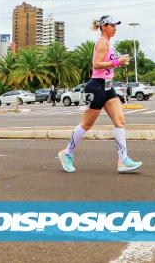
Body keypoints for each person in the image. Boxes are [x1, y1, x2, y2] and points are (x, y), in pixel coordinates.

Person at [57, 15, 142, 173]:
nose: (115, 28)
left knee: (120, 120)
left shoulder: (108, 43)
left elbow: (107, 65)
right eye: (112, 25)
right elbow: (96, 64)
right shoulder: (102, 42)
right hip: (95, 87)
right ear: (103, 27)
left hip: (108, 87)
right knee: (86, 124)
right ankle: (66, 153)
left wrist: (119, 60)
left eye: (116, 25)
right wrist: (117, 62)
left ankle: (123, 160)